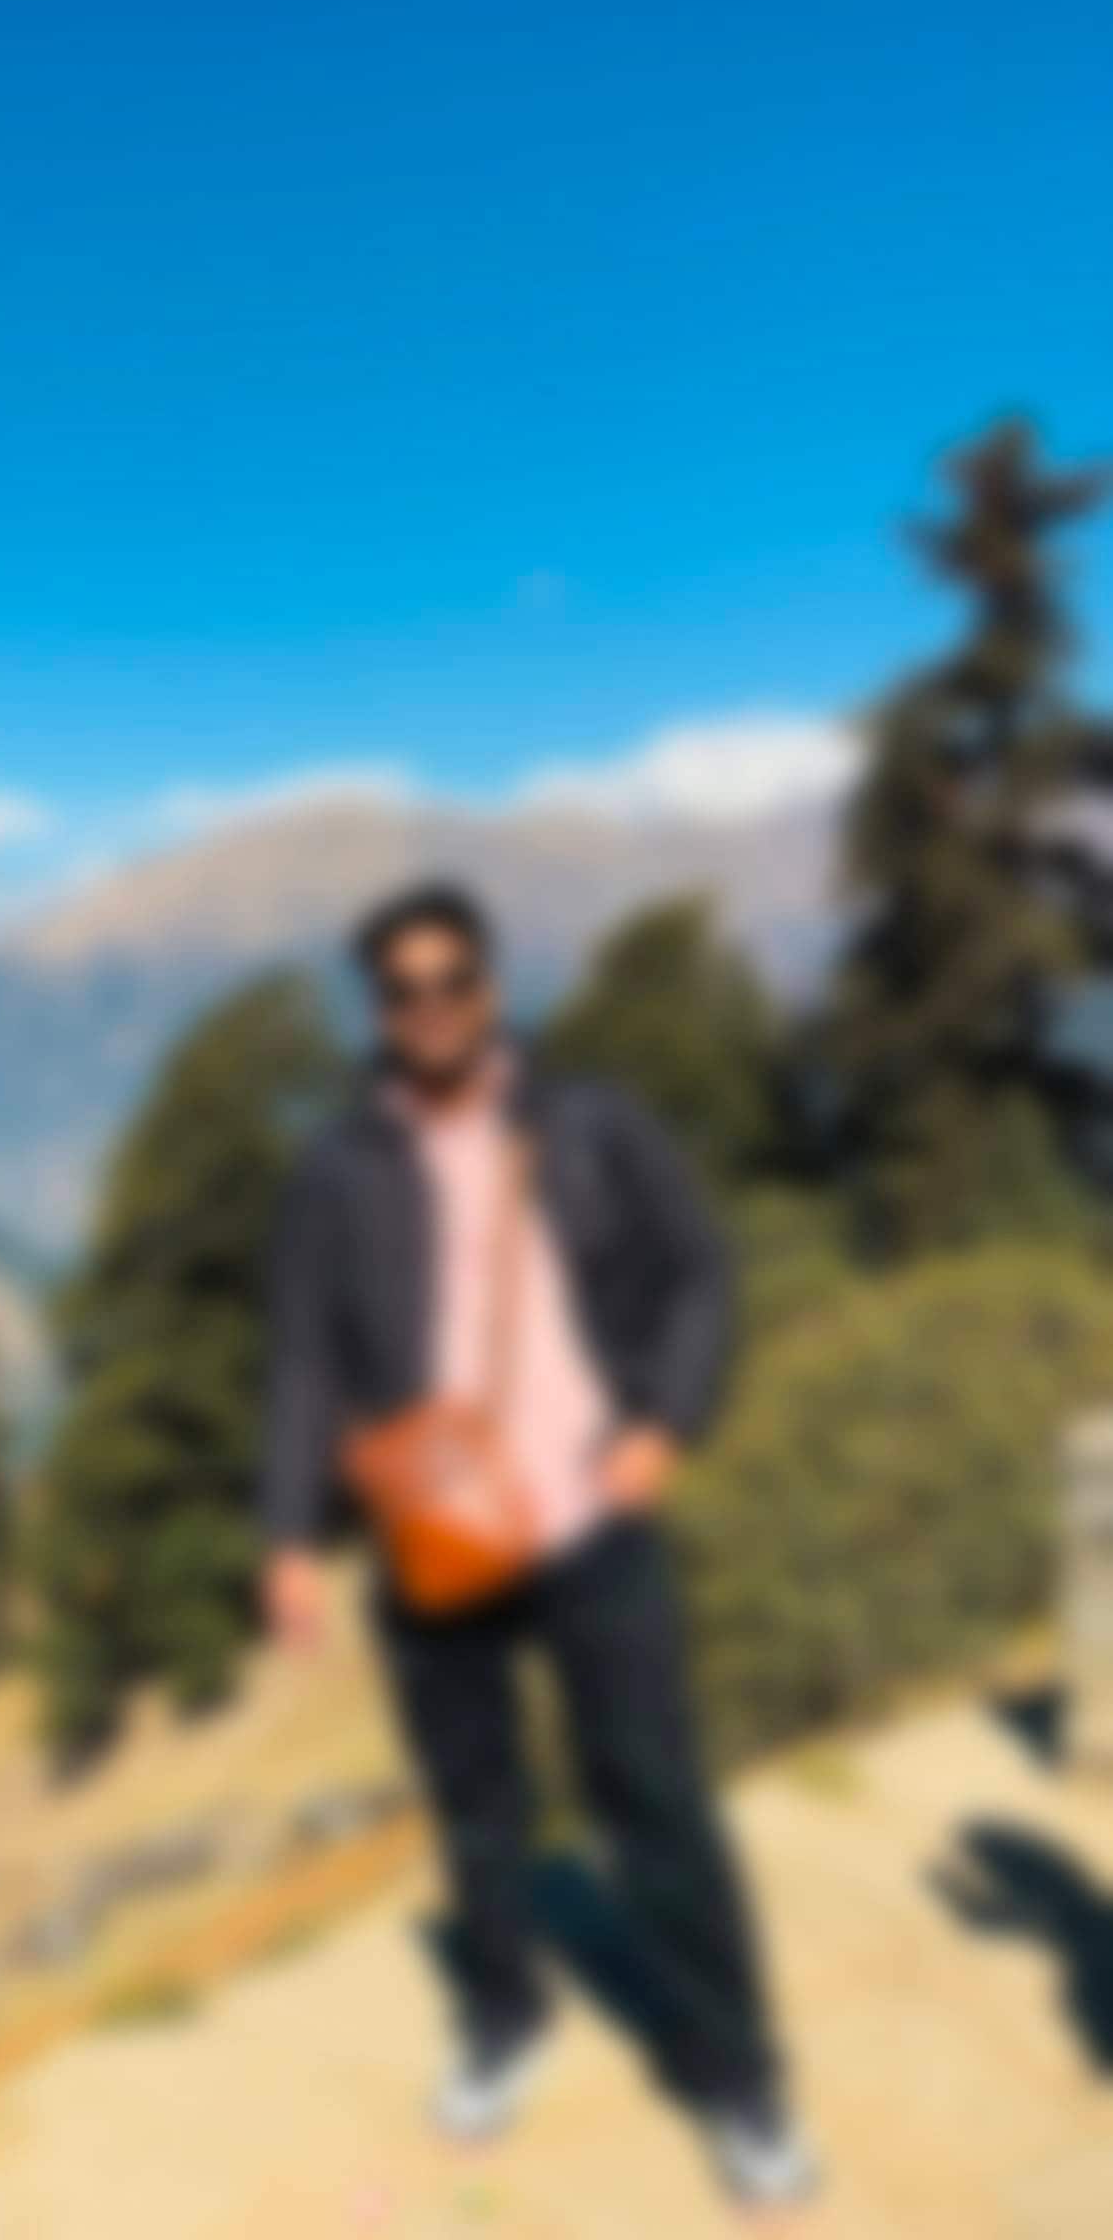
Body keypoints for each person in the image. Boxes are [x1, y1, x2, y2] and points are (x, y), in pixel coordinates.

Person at [261, 881, 817, 2211]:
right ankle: (505, 2017)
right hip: (433, 1538)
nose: (431, 1006)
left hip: (587, 1521)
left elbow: (701, 1271)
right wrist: (285, 1535)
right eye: (403, 989)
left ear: (492, 990)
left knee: (657, 1807)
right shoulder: (336, 1166)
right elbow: (300, 1357)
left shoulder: (591, 1124)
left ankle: (738, 2082)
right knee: (475, 1810)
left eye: (452, 980)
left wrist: (665, 1423)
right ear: (378, 1010)